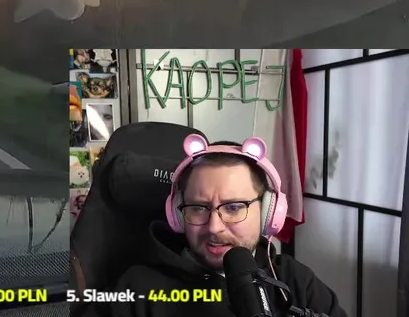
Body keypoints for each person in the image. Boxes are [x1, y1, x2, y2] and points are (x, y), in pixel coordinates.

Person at [109, 136, 347, 317]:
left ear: (268, 211)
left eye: (233, 207)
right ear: (177, 214)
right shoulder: (138, 288)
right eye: (198, 207)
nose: (214, 227)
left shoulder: (294, 281)